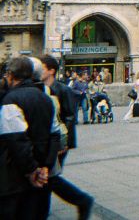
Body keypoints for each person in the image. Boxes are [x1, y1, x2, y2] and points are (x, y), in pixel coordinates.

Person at [0, 56, 58, 218]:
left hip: (15, 175)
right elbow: (55, 135)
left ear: (11, 75)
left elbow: (16, 140)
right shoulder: (46, 98)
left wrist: (31, 170)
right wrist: (45, 167)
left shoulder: (10, 99)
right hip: (40, 172)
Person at [40, 55, 95, 219]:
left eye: (42, 68)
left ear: (51, 71)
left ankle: (82, 200)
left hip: (59, 141)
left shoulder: (62, 89)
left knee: (50, 177)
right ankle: (43, 210)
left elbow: (70, 116)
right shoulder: (41, 88)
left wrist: (63, 143)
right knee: (48, 178)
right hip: (51, 140)